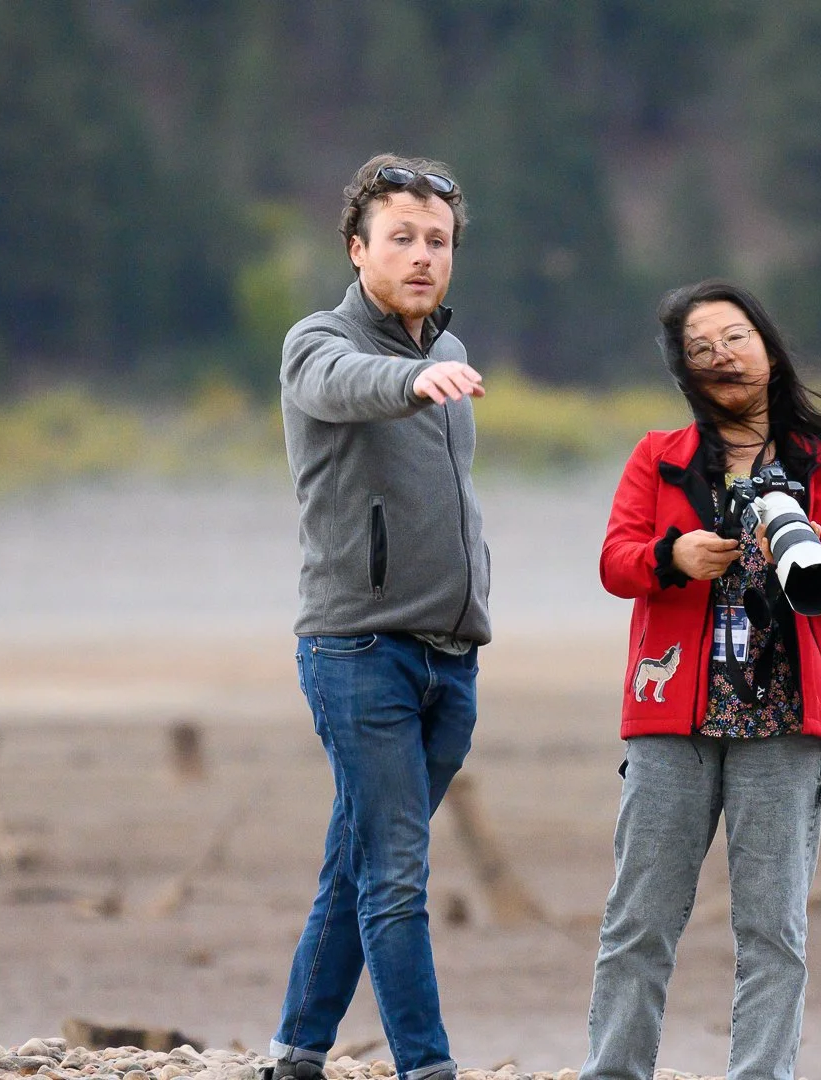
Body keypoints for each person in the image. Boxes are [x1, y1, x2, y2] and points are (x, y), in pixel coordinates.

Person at [580, 279, 821, 1080]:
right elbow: (613, 563)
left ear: (768, 347)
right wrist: (672, 557)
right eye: (701, 349)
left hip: (785, 718)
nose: (723, 358)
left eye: (735, 337)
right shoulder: (660, 457)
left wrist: (794, 549)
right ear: (685, 372)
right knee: (638, 921)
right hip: (672, 717)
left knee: (775, 930)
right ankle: (613, 1072)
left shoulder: (820, 462)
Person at [270, 153, 490, 1080]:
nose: (421, 256)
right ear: (359, 248)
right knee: (397, 876)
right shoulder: (317, 342)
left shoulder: (449, 353)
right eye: (401, 238)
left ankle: (296, 1051)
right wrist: (406, 384)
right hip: (358, 651)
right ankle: (426, 1067)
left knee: (357, 865)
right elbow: (339, 384)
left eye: (436, 241)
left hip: (452, 657)